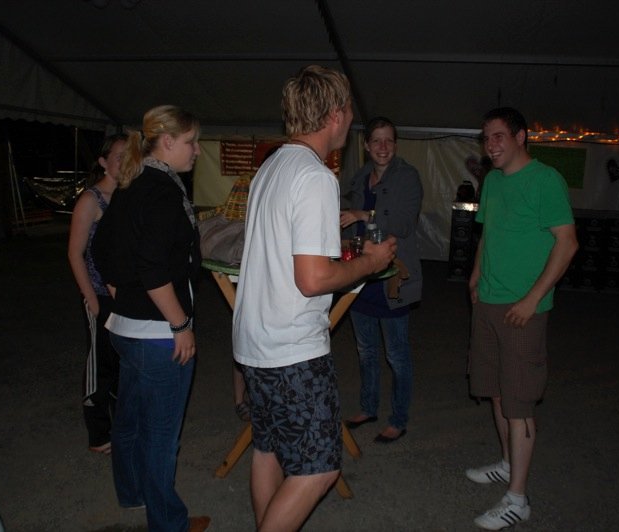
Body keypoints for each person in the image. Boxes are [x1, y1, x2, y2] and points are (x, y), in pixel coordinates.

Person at [232, 65, 397, 531]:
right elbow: (312, 278)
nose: (351, 121)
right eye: (349, 112)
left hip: (254, 340)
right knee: (320, 468)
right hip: (291, 350)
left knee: (268, 449)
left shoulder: (271, 167)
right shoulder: (315, 176)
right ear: (335, 115)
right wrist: (370, 262)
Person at [91, 105, 210, 532]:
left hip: (125, 329)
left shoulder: (131, 183)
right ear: (168, 141)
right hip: (159, 335)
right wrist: (181, 325)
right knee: (161, 437)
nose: (198, 151)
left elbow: (100, 247)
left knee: (129, 421)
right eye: (192, 142)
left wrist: (121, 293)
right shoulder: (162, 191)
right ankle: (168, 524)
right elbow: (154, 270)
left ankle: (132, 493)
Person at [465, 107, 578, 530]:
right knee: (496, 392)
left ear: (521, 137)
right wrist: (476, 275)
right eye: (486, 138)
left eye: (498, 136)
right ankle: (507, 463)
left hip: (522, 310)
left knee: (520, 403)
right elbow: (488, 233)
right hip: (489, 302)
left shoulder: (545, 180)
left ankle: (518, 499)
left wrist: (533, 299)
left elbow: (567, 244)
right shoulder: (493, 181)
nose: (490, 145)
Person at [339, 116, 423, 443]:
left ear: (396, 145)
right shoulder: (360, 177)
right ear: (366, 145)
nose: (383, 147)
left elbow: (403, 224)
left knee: (397, 355)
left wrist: (364, 215)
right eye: (376, 140)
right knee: (366, 351)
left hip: (391, 278)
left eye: (389, 140)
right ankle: (368, 407)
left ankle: (398, 419)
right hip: (361, 276)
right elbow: (345, 217)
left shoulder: (408, 177)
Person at [67, 133, 127, 454]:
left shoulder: (128, 195)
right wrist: (89, 296)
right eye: (118, 156)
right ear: (104, 161)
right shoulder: (91, 200)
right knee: (100, 363)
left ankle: (121, 425)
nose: (125, 162)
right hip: (99, 295)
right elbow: (75, 253)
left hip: (125, 296)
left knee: (121, 361)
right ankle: (98, 433)